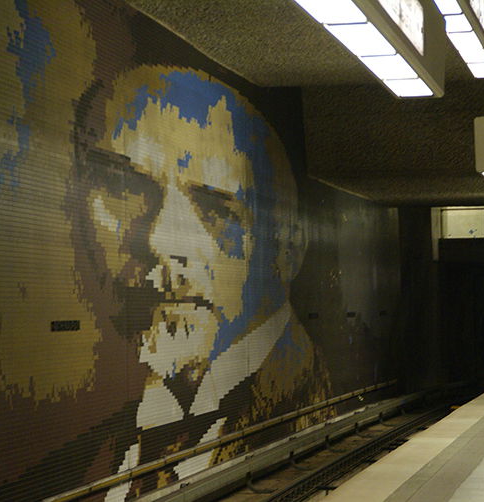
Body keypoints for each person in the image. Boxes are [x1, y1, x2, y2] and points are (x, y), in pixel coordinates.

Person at [71, 66, 332, 499]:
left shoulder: (300, 400)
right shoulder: (92, 447)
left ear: (287, 248)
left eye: (216, 209)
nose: (157, 241)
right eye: (126, 188)